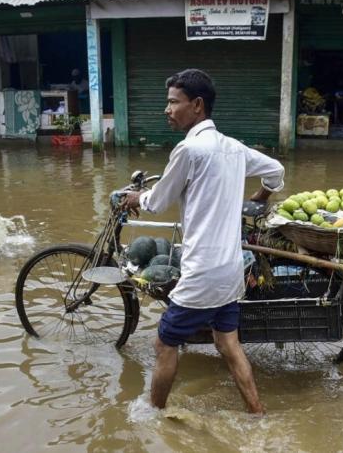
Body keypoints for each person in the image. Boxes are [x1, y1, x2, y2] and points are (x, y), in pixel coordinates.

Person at [122, 69, 284, 415]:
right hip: (230, 272)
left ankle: (154, 413)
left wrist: (138, 198)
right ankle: (257, 413)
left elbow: (159, 200)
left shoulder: (189, 149)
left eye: (173, 102)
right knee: (228, 343)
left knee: (164, 342)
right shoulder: (234, 148)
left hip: (202, 275)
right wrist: (262, 194)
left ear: (196, 105)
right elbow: (276, 171)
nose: (167, 109)